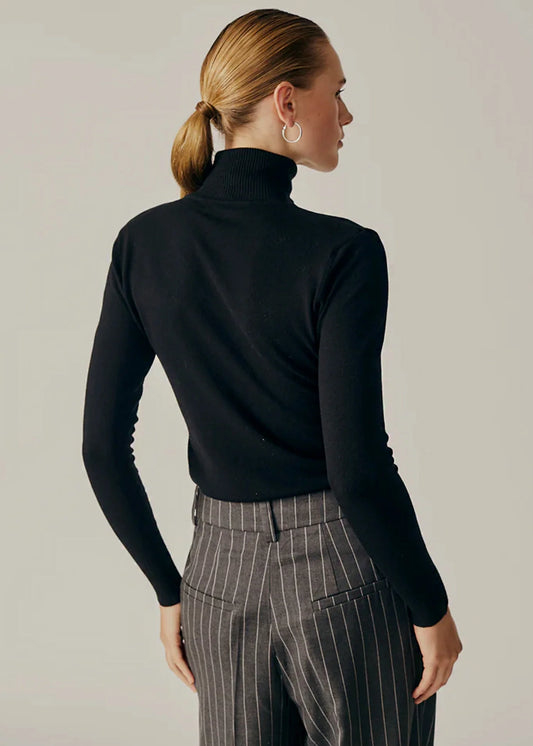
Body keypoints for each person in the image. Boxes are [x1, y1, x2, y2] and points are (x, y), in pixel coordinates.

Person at [81, 8, 463, 745]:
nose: (345, 114)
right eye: (336, 92)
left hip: (216, 580)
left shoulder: (143, 244)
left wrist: (169, 589)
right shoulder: (343, 253)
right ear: (286, 101)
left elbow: (101, 448)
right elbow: (358, 468)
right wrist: (429, 605)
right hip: (343, 576)